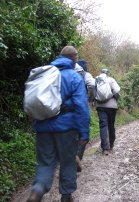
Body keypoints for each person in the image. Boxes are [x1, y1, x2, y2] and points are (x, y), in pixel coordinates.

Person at [27, 46, 90, 202]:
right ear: (74, 59)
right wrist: (84, 133)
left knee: (45, 163)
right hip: (67, 129)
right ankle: (66, 196)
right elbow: (81, 107)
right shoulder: (74, 77)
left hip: (43, 127)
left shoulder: (44, 75)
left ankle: (38, 189)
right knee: (68, 161)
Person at [74, 59, 95, 172]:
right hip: (80, 107)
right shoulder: (85, 74)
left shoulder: (63, 72)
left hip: (63, 109)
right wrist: (92, 99)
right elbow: (92, 85)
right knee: (83, 134)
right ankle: (77, 156)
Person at [95, 68, 120, 155]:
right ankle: (111, 144)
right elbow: (117, 91)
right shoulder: (111, 80)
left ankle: (105, 148)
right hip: (112, 107)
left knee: (103, 126)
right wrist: (114, 97)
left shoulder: (96, 80)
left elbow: (93, 92)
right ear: (107, 73)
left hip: (100, 107)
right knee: (111, 125)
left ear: (101, 73)